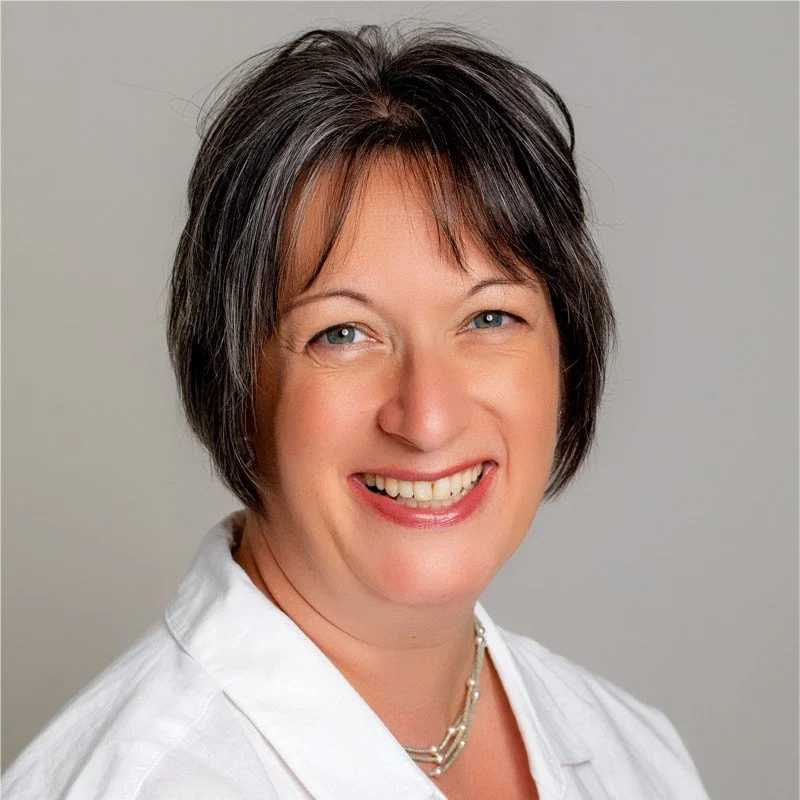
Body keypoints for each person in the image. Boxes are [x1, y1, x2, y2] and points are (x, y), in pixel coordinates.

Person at [2, 23, 710, 800]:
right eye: (343, 333)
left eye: (488, 318)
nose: (428, 416)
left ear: (567, 352)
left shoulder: (639, 756)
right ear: (236, 381)